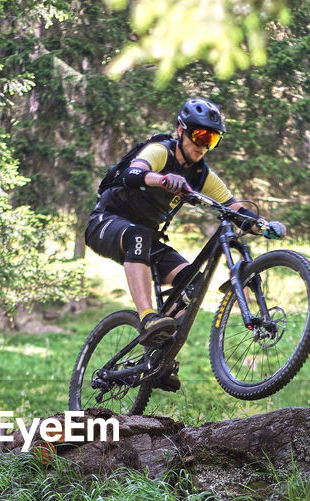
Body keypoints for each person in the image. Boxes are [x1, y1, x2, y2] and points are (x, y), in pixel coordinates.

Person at [84, 97, 285, 391]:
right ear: (181, 130)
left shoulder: (202, 174)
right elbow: (133, 173)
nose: (203, 145)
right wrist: (162, 179)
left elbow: (232, 206)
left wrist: (263, 224)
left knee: (193, 284)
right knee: (139, 235)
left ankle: (158, 359)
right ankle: (147, 317)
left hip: (149, 238)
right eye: (199, 135)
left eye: (212, 139)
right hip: (106, 222)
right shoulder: (159, 151)